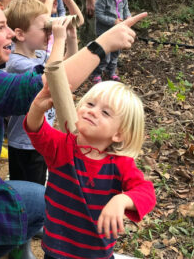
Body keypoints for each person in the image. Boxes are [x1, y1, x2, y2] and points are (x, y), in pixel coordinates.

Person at [0, 0, 147, 258]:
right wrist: (103, 44)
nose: (10, 33)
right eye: (0, 27)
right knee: (46, 203)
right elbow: (48, 85)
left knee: (37, 198)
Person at [25, 80, 156, 259]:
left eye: (105, 112)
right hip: (56, 248)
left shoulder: (120, 164)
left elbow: (147, 193)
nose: (92, 111)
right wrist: (37, 108)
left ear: (118, 134)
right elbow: (36, 130)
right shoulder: (62, 147)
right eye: (90, 104)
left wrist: (122, 199)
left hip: (96, 254)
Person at [3, 0, 76, 186]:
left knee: (38, 182)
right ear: (20, 34)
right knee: (29, 187)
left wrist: (71, 38)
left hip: (40, 136)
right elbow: (52, 76)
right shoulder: (16, 63)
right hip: (24, 143)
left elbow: (64, 67)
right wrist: (58, 39)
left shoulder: (38, 55)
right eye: (45, 28)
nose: (49, 33)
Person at [92, 0, 131, 83]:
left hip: (118, 32)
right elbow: (98, 15)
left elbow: (125, 9)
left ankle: (111, 72)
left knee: (115, 53)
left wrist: (128, 17)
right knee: (105, 55)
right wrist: (113, 21)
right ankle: (96, 74)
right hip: (105, 33)